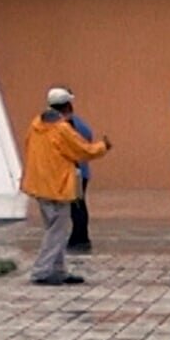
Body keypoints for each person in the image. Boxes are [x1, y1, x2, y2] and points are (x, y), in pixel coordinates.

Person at [21, 86, 110, 286]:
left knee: (54, 229)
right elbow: (82, 150)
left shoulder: (36, 124)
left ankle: (58, 270)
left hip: (39, 185)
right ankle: (42, 270)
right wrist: (103, 146)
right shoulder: (62, 129)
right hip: (57, 187)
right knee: (57, 232)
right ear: (68, 105)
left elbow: (28, 147)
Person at [66, 100, 101, 251]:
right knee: (78, 206)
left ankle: (80, 238)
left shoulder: (70, 127)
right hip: (81, 171)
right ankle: (79, 236)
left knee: (77, 207)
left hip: (76, 172)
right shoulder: (81, 124)